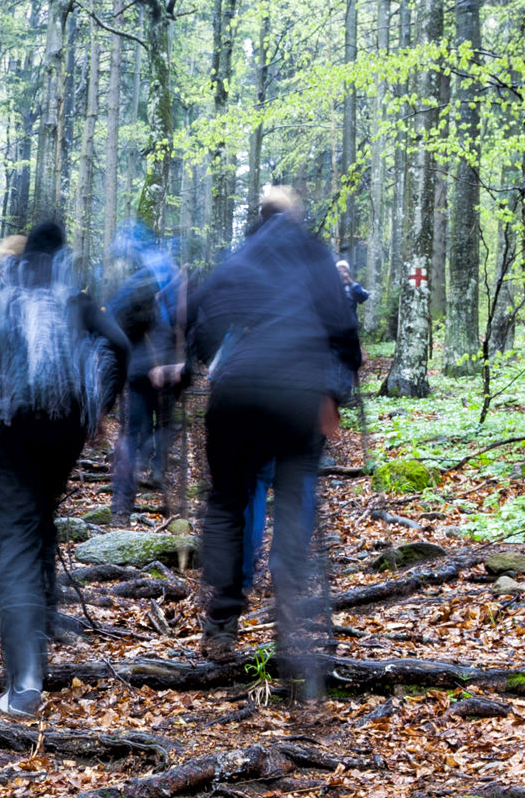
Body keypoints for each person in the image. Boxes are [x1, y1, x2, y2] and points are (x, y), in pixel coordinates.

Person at [190, 184, 361, 703]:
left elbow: (202, 319)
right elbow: (345, 332)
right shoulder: (314, 256)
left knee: (226, 499)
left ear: (258, 218)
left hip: (238, 389)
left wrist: (203, 358)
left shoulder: (240, 258)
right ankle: (289, 601)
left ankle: (222, 616)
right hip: (300, 395)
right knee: (295, 488)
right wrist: (334, 391)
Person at [0, 214, 129, 715]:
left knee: (17, 537)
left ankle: (24, 684)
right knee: (40, 524)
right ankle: (42, 635)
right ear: (63, 257)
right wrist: (98, 403)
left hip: (8, 429)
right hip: (62, 431)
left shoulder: (0, 302)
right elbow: (121, 347)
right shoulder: (77, 302)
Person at [105, 220, 191, 525]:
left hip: (144, 367)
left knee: (136, 433)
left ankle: (122, 508)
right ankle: (147, 487)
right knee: (162, 426)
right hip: (163, 367)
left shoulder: (136, 279)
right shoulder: (173, 279)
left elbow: (115, 322)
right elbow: (190, 324)